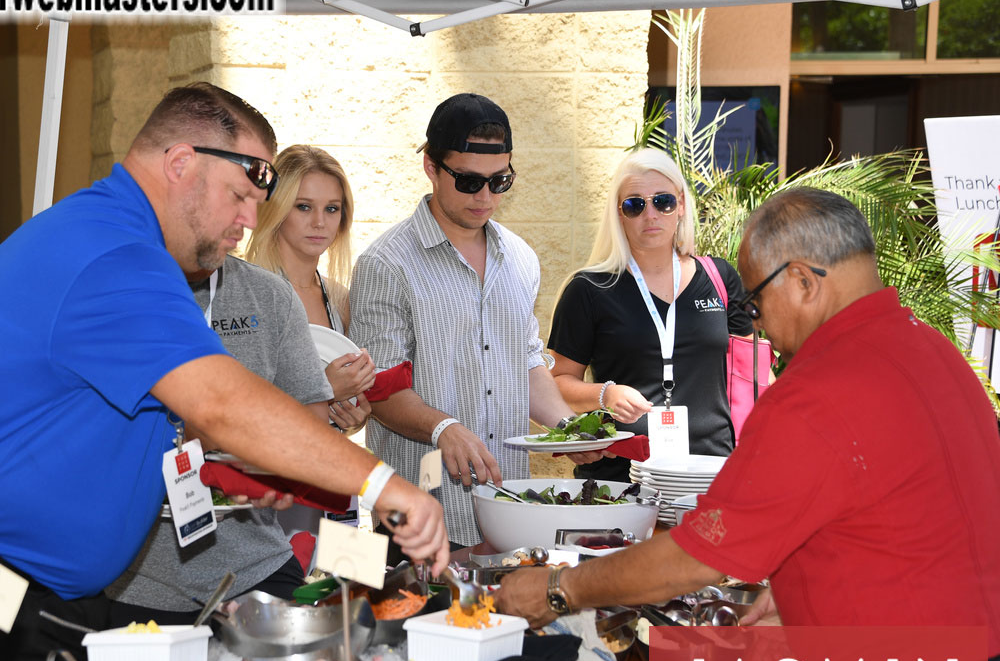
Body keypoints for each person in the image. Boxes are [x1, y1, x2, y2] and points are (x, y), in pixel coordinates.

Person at [0, 83, 449, 661]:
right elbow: (221, 401)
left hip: (26, 594)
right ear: (180, 163)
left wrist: (243, 464)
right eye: (241, 195)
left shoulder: (120, 242)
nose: (250, 220)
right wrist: (384, 485)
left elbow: (160, 416)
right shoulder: (112, 254)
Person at [495, 187, 1000, 661]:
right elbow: (914, 509)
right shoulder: (935, 350)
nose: (755, 327)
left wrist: (559, 589)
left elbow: (694, 558)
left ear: (805, 282)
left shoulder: (816, 391)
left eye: (756, 304)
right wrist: (804, 585)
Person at [349, 93, 602, 548]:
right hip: (422, 513)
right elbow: (380, 388)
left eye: (499, 181)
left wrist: (569, 428)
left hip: (511, 509)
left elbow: (526, 362)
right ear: (430, 166)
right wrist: (443, 427)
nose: (485, 197)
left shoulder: (521, 258)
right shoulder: (386, 264)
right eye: (467, 181)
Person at [106, 252, 333, 624]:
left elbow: (312, 423)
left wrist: (245, 447)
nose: (239, 219)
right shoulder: (112, 294)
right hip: (136, 581)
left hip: (258, 568)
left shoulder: (269, 294)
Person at [548, 147, 755, 482]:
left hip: (714, 473)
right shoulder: (589, 289)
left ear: (682, 205)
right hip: (620, 476)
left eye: (663, 201)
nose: (651, 214)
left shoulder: (720, 278)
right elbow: (555, 384)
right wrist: (606, 394)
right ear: (618, 214)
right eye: (635, 204)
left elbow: (757, 373)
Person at [245, 144, 373, 432]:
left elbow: (340, 411)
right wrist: (323, 390)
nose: (319, 222)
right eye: (303, 206)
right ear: (276, 208)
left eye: (331, 209)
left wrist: (352, 419)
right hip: (261, 471)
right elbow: (229, 407)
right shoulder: (245, 293)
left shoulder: (339, 298)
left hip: (324, 468)